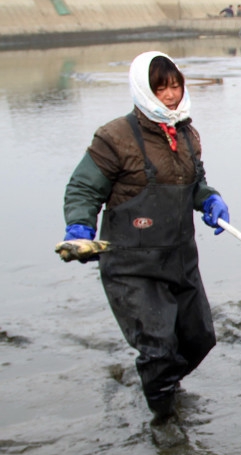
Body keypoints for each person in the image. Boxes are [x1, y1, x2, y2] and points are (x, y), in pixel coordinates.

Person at [61, 51, 229, 423]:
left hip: (180, 258)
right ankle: (163, 421)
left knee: (200, 339)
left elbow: (194, 182)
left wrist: (209, 199)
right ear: (143, 89)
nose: (171, 95)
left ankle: (165, 383)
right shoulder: (114, 137)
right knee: (157, 347)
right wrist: (79, 227)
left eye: (175, 85)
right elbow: (83, 189)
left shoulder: (186, 133)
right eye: (161, 87)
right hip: (132, 264)